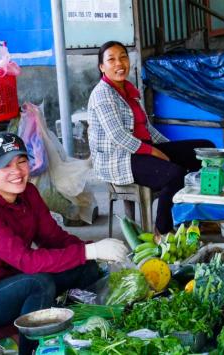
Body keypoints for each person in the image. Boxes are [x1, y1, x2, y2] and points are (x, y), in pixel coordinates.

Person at [0, 132, 128, 355]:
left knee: (84, 266)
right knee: (39, 283)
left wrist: (94, 251)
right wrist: (89, 250)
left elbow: (54, 238)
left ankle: (81, 331)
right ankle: (31, 350)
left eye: (21, 161)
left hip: (5, 279)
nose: (17, 172)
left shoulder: (28, 193)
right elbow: (26, 262)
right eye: (5, 166)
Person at [87, 41, 214, 235]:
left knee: (204, 150)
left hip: (139, 147)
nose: (119, 63)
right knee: (174, 174)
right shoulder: (102, 94)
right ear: (102, 67)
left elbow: (146, 128)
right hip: (119, 158)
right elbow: (118, 136)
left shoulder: (128, 90)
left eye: (123, 57)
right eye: (111, 60)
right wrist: (155, 151)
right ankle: (162, 231)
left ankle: (192, 218)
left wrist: (170, 148)